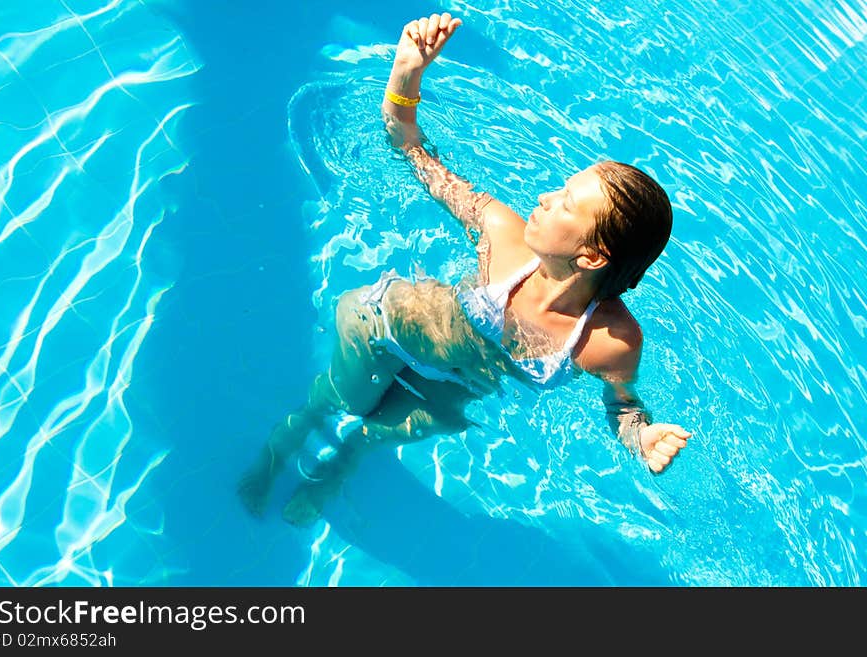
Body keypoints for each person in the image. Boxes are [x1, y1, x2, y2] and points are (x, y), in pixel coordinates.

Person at [238, 12, 692, 527]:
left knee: (382, 430)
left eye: (565, 203)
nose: (545, 197)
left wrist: (641, 437)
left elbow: (622, 407)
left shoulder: (610, 341)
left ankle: (342, 463)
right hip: (387, 331)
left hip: (457, 383)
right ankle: (280, 451)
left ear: (590, 257)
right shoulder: (502, 233)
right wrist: (406, 74)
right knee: (339, 400)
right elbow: (411, 150)